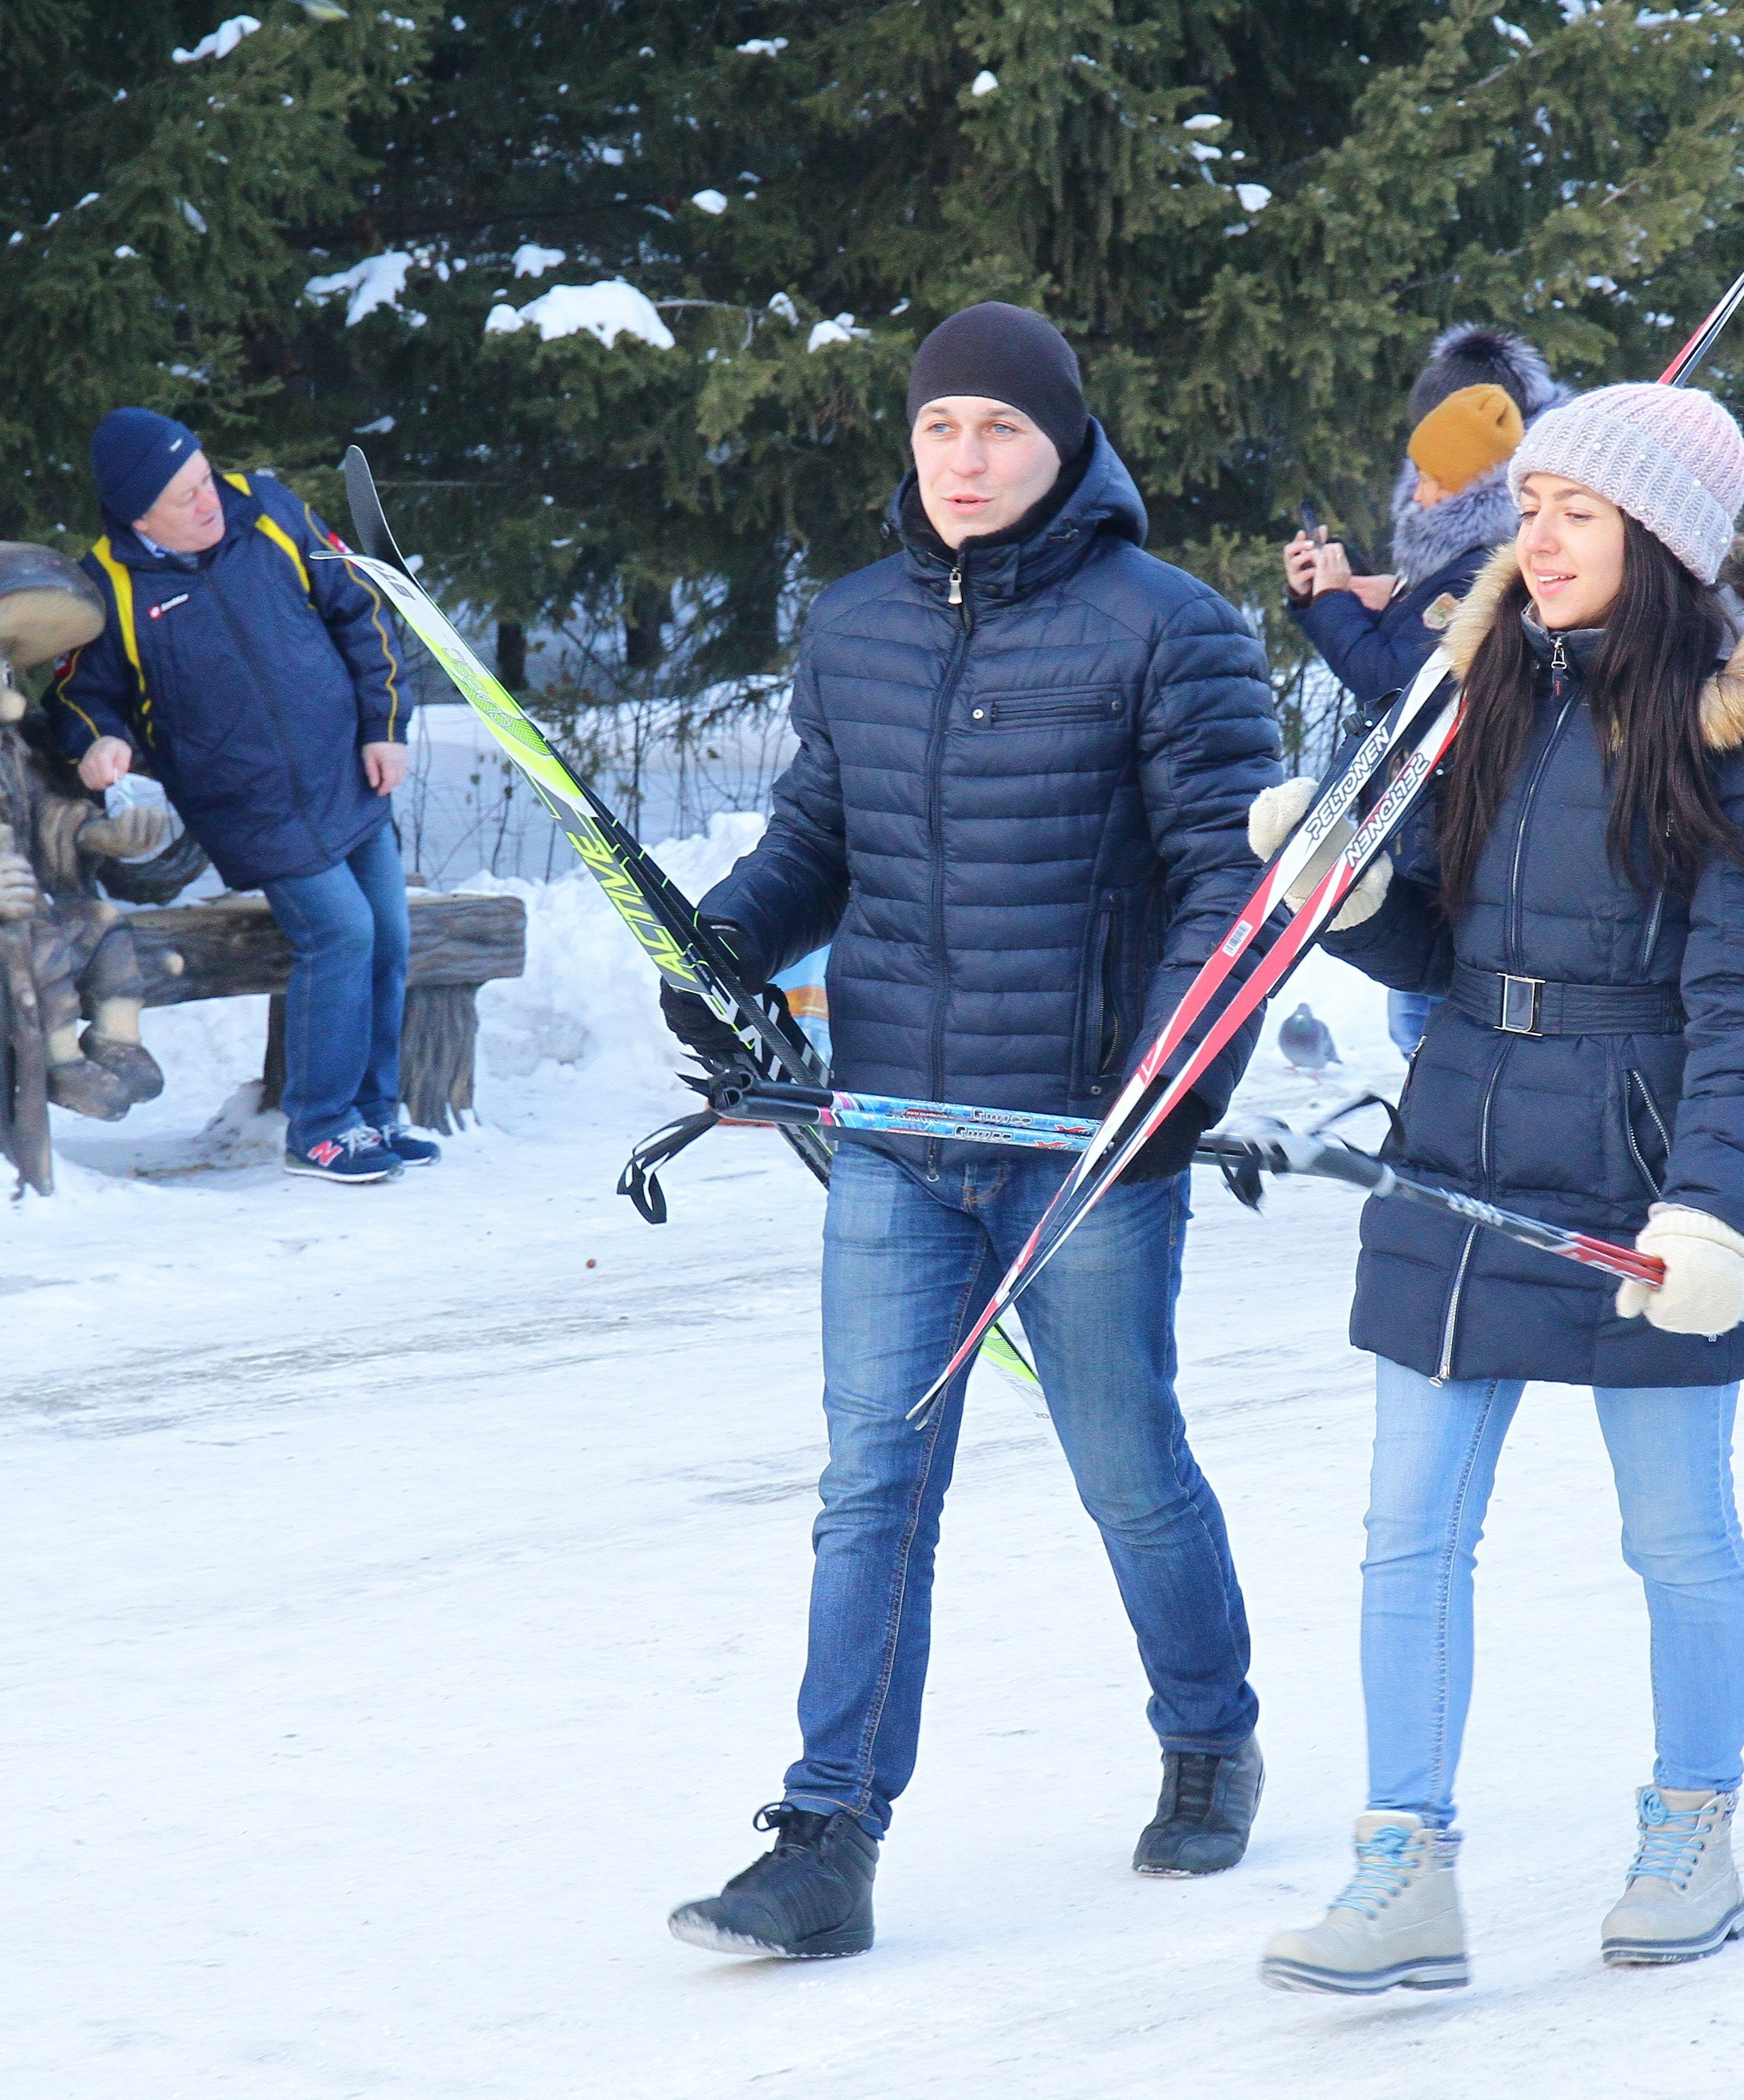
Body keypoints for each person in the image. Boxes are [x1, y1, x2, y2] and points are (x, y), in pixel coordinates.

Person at [658, 303, 1285, 1961]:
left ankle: (1210, 1731)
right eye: (941, 429)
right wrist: (721, 947)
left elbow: (1234, 884)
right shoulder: (855, 625)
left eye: (1000, 429)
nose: (966, 459)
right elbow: (819, 837)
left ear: (1065, 442)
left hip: (1086, 1145)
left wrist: (1172, 1085)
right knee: (873, 1479)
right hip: (893, 1131)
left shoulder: (1174, 630)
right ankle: (827, 1838)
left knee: (1126, 1466)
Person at [1244, 384, 1744, 1994]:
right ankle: (1403, 1865)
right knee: (1406, 1534)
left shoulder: (1743, 730)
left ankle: (1692, 1828)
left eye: (1575, 511)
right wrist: (1352, 895)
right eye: (1528, 506)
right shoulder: (1487, 694)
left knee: (1673, 1534)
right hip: (1458, 1136)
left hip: (1643, 1169)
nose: (1535, 535)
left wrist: (1715, 1209)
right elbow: (1446, 946)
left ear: (1655, 542)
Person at [55, 408, 442, 1179]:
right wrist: (96, 739)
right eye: (185, 496)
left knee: (390, 936)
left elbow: (361, 612)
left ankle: (371, 1114)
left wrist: (384, 725)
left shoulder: (269, 509)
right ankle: (320, 1127)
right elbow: (77, 696)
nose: (208, 501)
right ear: (139, 515)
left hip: (348, 771)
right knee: (342, 933)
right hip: (248, 806)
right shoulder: (110, 586)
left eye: (204, 478)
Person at [1285, 324, 1566, 1055]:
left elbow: (1395, 681)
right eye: (1418, 478)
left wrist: (1336, 603)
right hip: (1426, 831)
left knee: (1426, 1024)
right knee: (1417, 1015)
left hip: (1441, 837)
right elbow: (1420, 631)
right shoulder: (1467, 559)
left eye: (1438, 484)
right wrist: (1358, 597)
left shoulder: (1482, 568)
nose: (1420, 496)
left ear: (1480, 492)